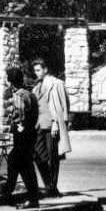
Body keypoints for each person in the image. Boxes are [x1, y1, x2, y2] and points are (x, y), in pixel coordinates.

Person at [1, 67, 41, 209]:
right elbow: (35, 113)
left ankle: (11, 194)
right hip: (31, 134)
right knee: (21, 164)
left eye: (7, 78)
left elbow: (21, 115)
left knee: (20, 164)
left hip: (22, 134)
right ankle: (9, 193)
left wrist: (20, 126)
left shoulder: (18, 95)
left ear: (11, 81)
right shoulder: (29, 93)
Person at [32, 58, 72, 197]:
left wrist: (57, 122)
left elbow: (64, 105)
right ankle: (48, 185)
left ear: (45, 69)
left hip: (51, 126)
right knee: (38, 156)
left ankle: (52, 187)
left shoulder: (57, 84)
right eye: (35, 70)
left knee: (52, 157)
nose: (36, 73)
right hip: (38, 126)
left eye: (38, 70)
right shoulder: (37, 86)